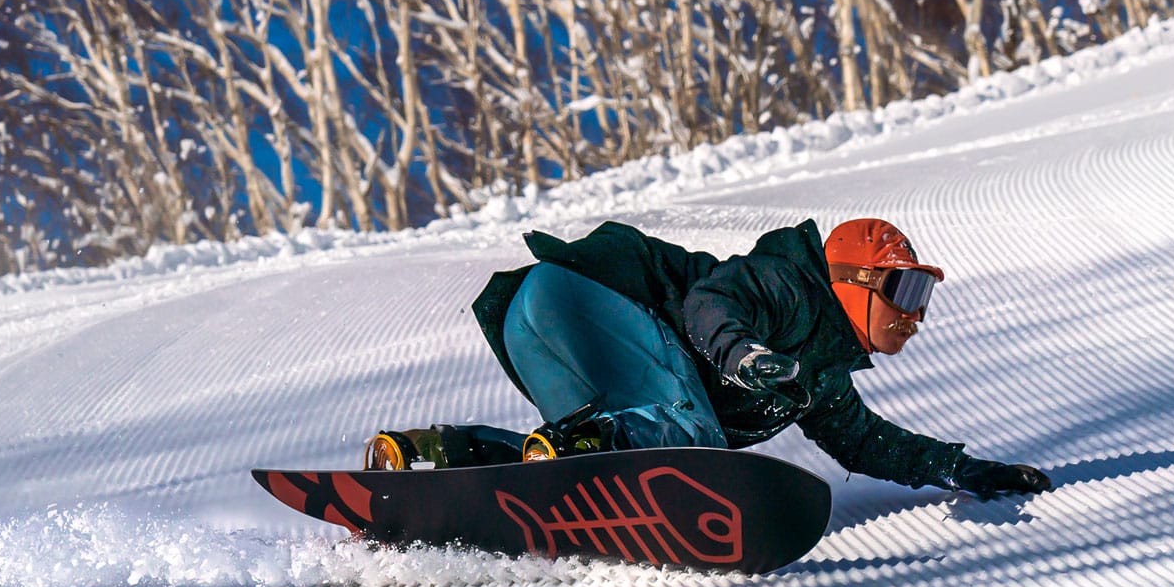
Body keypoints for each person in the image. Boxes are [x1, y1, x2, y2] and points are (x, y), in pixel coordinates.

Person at [365, 218, 1051, 500]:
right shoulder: (789, 287)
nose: (916, 312)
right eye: (905, 287)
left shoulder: (820, 375)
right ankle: (583, 444)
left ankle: (430, 457)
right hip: (586, 301)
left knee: (583, 450)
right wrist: (741, 352)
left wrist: (960, 470)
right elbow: (709, 307)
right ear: (853, 281)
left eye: (924, 293)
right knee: (698, 443)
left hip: (535, 317)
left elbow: (866, 442)